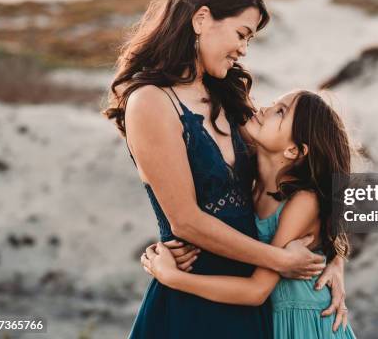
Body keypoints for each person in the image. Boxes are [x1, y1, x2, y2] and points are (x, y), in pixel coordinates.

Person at [102, 0, 348, 338]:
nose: (243, 49)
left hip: (254, 300)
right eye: (241, 34)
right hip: (196, 298)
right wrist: (281, 261)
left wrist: (334, 258)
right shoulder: (151, 102)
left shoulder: (226, 94)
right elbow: (185, 220)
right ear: (201, 19)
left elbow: (313, 167)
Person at [142, 90, 356, 338]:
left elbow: (257, 291)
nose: (264, 108)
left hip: (308, 323)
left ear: (294, 151)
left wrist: (171, 277)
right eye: (274, 103)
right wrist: (166, 246)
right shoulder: (250, 183)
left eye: (280, 112)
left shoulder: (301, 202)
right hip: (269, 322)